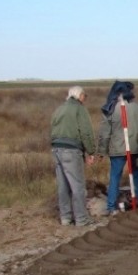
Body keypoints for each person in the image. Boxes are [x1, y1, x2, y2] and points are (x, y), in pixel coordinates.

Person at [97, 80, 138, 216]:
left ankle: (111, 207)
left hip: (117, 150)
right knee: (137, 176)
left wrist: (101, 151)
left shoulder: (110, 109)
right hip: (136, 148)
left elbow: (105, 133)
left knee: (115, 178)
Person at [50, 85, 97, 226]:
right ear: (79, 96)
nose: (85, 98)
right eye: (85, 96)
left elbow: (53, 127)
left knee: (63, 186)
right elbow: (86, 132)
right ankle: (82, 219)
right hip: (71, 151)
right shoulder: (79, 109)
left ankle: (65, 218)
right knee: (77, 186)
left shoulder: (59, 109)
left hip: (56, 149)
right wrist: (91, 151)